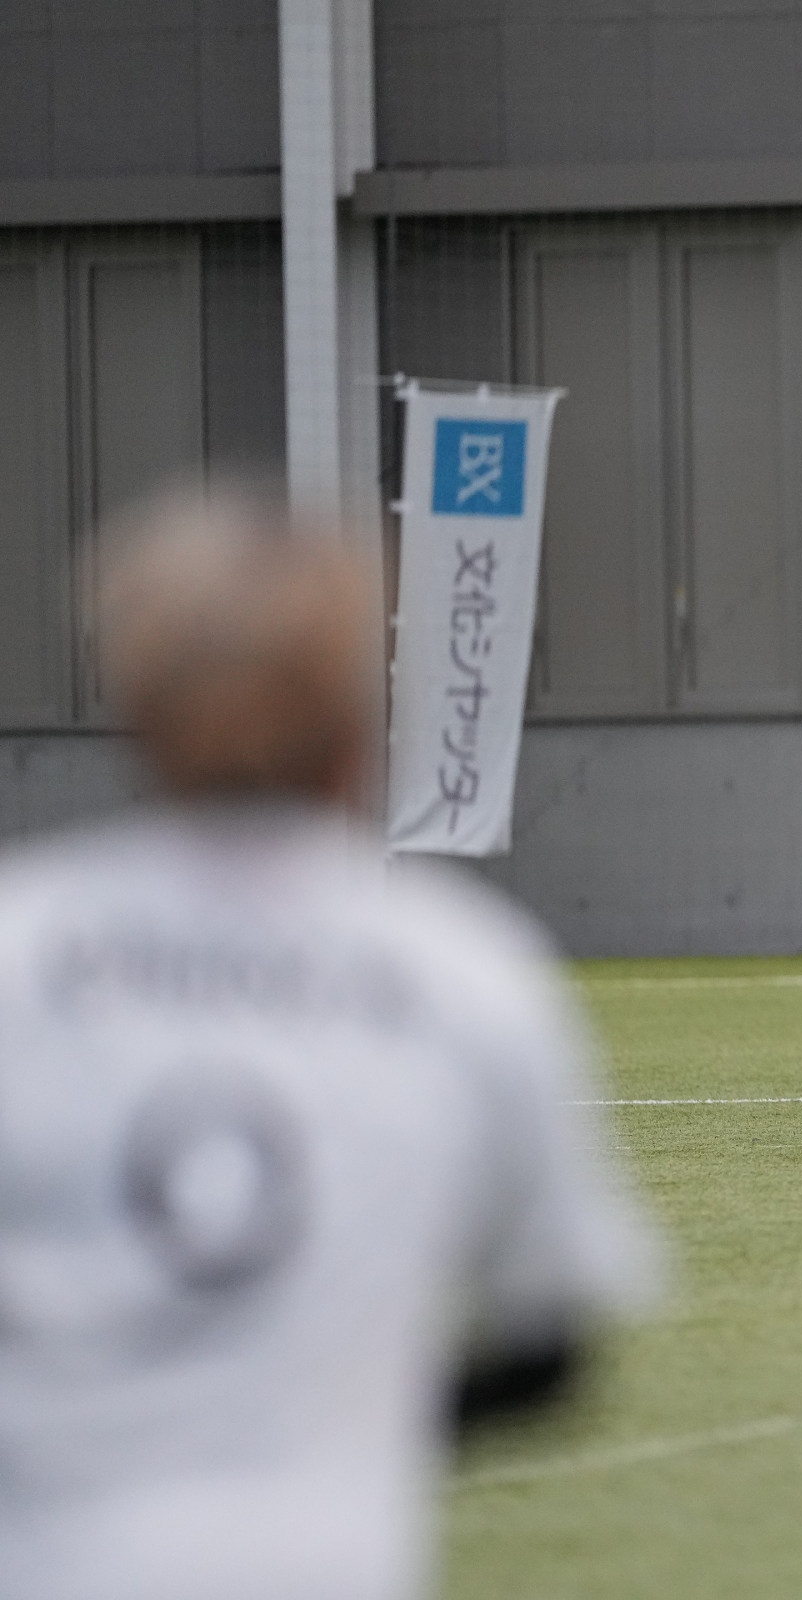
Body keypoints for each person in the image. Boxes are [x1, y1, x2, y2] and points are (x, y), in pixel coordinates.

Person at [0, 491, 659, 1600]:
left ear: (139, 712)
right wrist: (344, 1417)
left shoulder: (22, 948)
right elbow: (548, 1346)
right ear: (359, 720)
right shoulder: (464, 970)